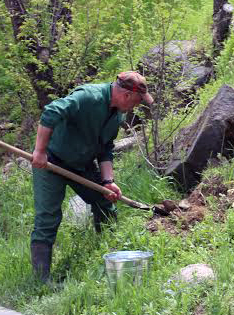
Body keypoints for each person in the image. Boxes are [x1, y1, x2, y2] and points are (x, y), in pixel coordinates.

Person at [30, 71, 154, 281]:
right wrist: (40, 152)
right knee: (48, 218)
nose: (137, 106)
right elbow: (51, 112)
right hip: (51, 162)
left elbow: (105, 148)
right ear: (126, 95)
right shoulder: (88, 96)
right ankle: (41, 281)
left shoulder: (116, 114)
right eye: (138, 101)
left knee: (105, 202)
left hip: (81, 164)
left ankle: (108, 257)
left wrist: (108, 182)